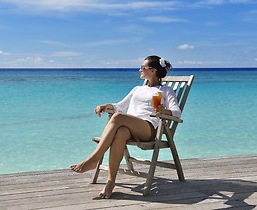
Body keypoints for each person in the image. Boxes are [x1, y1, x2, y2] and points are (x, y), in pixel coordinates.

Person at [69, 55, 181, 199]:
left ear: (152, 71)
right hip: (129, 128)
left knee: (118, 117)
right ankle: (110, 182)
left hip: (148, 129)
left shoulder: (165, 91)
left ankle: (93, 159)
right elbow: (120, 106)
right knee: (120, 132)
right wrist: (106, 106)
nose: (139, 69)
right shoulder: (137, 89)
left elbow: (176, 112)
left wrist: (164, 111)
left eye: (143, 67)